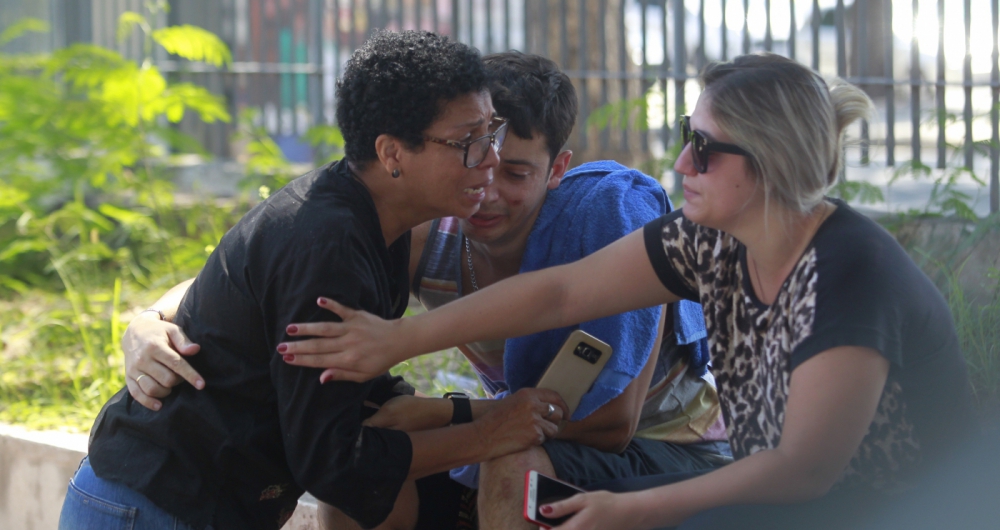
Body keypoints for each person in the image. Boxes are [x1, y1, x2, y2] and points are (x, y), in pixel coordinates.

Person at [277, 53, 979, 529]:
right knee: (532, 502)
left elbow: (802, 473)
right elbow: (560, 294)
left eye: (703, 147)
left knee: (574, 504)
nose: (680, 163)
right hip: (788, 502)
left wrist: (634, 509)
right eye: (686, 137)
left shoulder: (847, 276)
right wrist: (400, 338)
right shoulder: (710, 241)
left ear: (771, 162)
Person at [121, 52, 730, 530]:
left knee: (508, 462)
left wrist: (448, 412)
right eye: (475, 155)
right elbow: (271, 260)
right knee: (360, 473)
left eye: (515, 172)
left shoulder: (603, 228)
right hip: (525, 430)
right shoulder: (422, 233)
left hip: (664, 454)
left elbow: (609, 425)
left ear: (559, 168)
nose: (487, 188)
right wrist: (148, 318)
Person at [58, 31, 570, 530]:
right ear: (392, 154)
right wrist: (490, 434)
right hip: (151, 508)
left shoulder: (375, 221)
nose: (491, 159)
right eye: (468, 142)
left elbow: (353, 397)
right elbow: (335, 460)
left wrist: (493, 411)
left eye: (491, 132)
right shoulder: (329, 245)